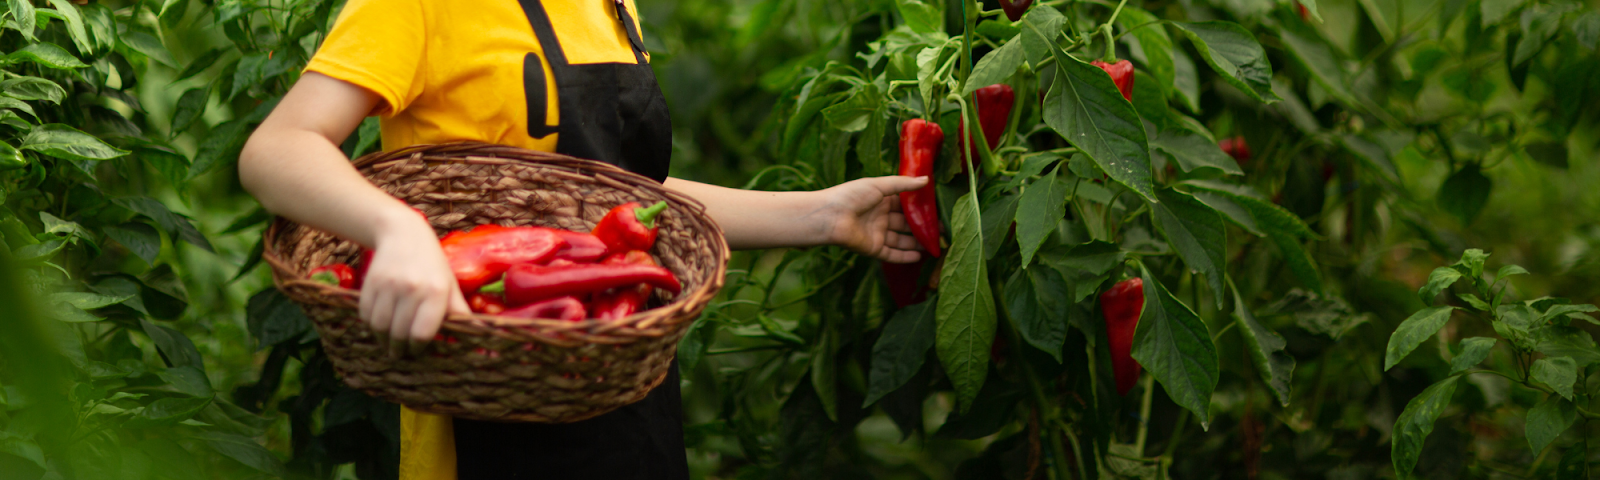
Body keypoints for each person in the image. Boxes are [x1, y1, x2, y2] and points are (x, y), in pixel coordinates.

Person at [237, 0, 929, 478]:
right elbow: (279, 147)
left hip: (627, 394)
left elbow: (625, 203)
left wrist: (825, 217)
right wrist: (398, 229)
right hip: (481, 400)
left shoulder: (612, 8)